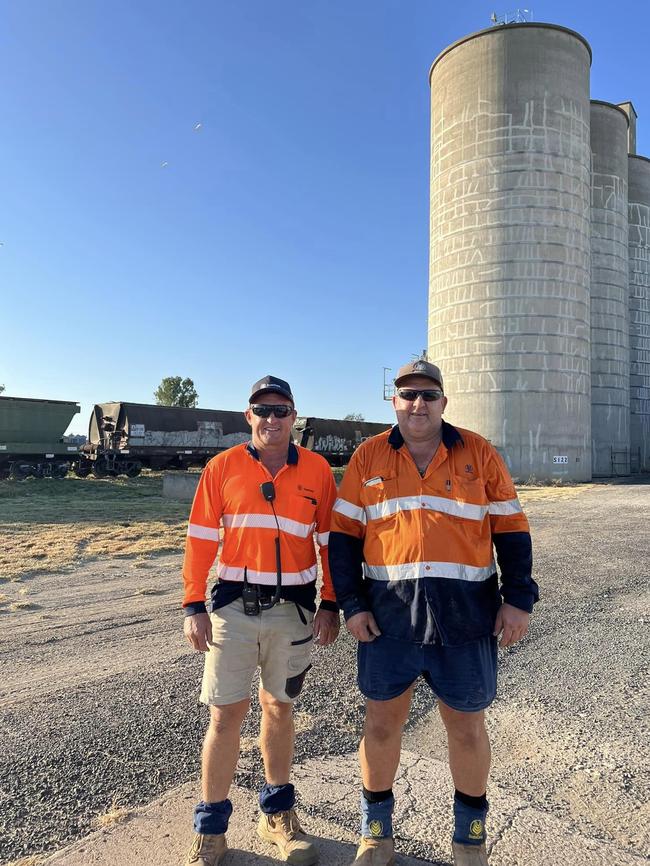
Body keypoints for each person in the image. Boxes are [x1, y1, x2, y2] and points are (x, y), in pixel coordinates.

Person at [329, 360, 537, 866]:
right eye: (408, 394)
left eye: (428, 394)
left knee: (466, 729)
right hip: (388, 621)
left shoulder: (478, 453)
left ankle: (470, 840)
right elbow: (342, 540)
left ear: (444, 402)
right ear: (393, 401)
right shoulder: (367, 457)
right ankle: (375, 834)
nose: (417, 404)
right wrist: (351, 605)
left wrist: (518, 599)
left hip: (465, 619)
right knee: (380, 727)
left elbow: (511, 529)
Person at [182, 375, 340, 866]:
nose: (272, 418)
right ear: (248, 415)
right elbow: (201, 540)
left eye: (282, 410)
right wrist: (193, 605)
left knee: (280, 709)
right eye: (263, 409)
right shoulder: (222, 467)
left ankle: (276, 816)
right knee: (226, 714)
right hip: (233, 610)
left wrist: (331, 602)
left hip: (294, 612)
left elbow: (330, 543)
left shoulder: (317, 470)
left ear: (295, 417)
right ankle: (211, 830)